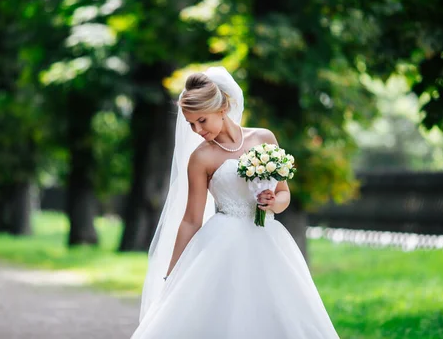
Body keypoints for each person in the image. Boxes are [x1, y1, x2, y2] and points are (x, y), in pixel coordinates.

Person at [131, 67, 339, 338]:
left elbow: (284, 194)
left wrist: (272, 203)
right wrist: (172, 273)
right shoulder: (201, 158)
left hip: (269, 241)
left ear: (222, 108)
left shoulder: (263, 139)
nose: (197, 130)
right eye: (191, 124)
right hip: (222, 244)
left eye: (201, 121)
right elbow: (191, 220)